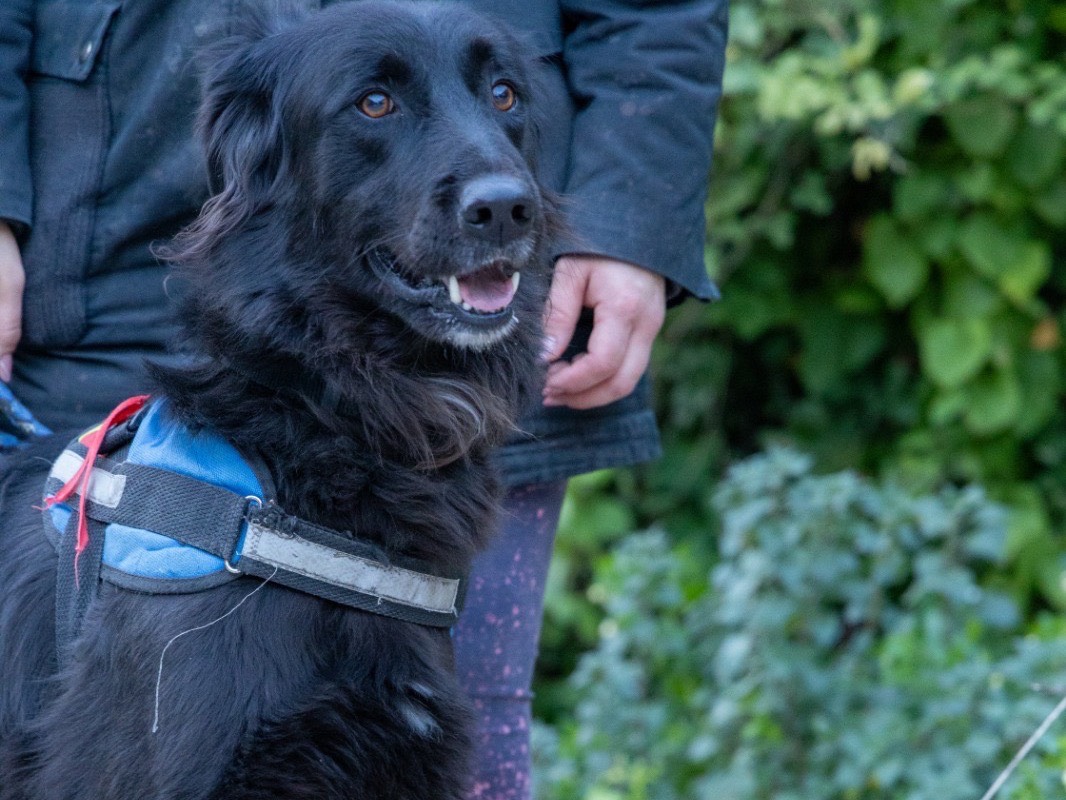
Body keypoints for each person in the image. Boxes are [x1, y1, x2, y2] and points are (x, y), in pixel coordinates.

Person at [0, 0, 728, 797]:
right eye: (377, 103)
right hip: (94, 259)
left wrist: (631, 219)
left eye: (501, 96)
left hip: (478, 420)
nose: (500, 182)